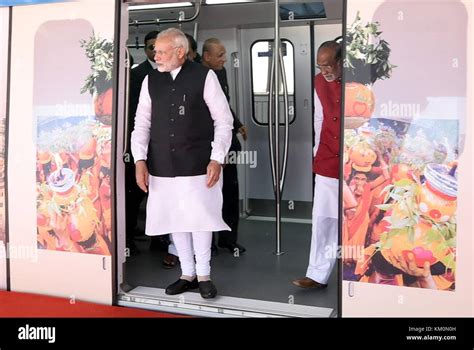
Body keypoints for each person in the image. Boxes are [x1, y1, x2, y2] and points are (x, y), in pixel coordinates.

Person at [131, 28, 233, 299]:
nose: (156, 55)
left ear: (180, 51)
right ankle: (187, 273)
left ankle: (204, 275)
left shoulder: (205, 76)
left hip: (198, 162)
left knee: (199, 219)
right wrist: (139, 159)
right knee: (175, 218)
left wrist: (217, 158)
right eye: (155, 51)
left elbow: (223, 121)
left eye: (162, 51)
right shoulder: (150, 80)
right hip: (162, 163)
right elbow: (141, 123)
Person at [293, 41, 342, 289]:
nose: (324, 70)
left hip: (356, 159)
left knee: (360, 220)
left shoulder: (359, 82)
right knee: (323, 217)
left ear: (341, 61)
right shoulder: (318, 82)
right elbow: (320, 116)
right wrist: (316, 151)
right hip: (326, 158)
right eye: (320, 65)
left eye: (328, 65)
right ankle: (317, 274)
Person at [202, 38, 247, 255]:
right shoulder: (198, 77)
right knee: (209, 195)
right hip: (207, 146)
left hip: (227, 144)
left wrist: (237, 125)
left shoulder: (221, 73)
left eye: (224, 54)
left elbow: (224, 106)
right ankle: (207, 243)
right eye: (219, 55)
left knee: (230, 191)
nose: (224, 59)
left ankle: (229, 239)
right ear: (206, 56)